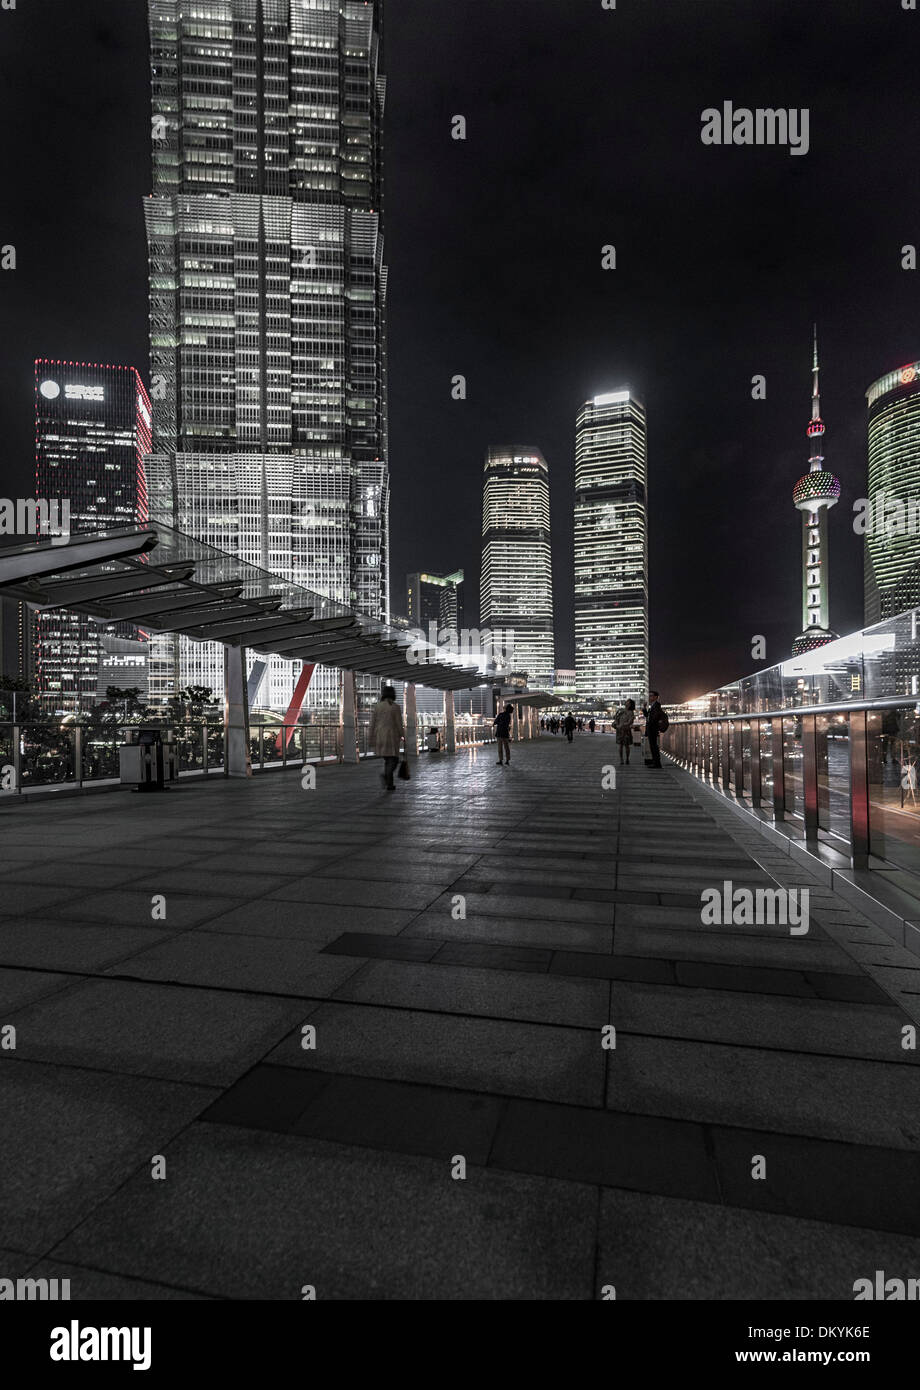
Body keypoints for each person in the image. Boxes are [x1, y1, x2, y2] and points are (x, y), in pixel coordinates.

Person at [369, 685, 405, 790]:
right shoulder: (395, 707)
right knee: (394, 759)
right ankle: (386, 776)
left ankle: (390, 784)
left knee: (387, 760)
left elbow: (372, 724)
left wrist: (371, 737)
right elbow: (399, 724)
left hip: (380, 736)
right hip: (392, 737)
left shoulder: (378, 706)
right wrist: (403, 735)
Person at [645, 690, 663, 768]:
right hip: (651, 728)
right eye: (650, 696)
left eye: (652, 696)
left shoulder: (656, 705)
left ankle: (657, 763)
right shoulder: (652, 705)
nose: (650, 697)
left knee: (654, 746)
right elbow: (647, 716)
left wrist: (650, 723)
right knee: (652, 746)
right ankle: (655, 762)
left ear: (656, 697)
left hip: (653, 728)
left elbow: (655, 717)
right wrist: (644, 708)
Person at [615, 698, 636, 764]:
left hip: (626, 730)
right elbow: (616, 718)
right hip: (620, 730)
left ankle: (627, 758)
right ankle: (621, 759)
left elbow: (630, 722)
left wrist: (623, 725)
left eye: (627, 702)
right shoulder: (621, 710)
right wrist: (617, 722)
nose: (626, 702)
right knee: (620, 745)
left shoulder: (631, 712)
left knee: (626, 745)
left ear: (630, 704)